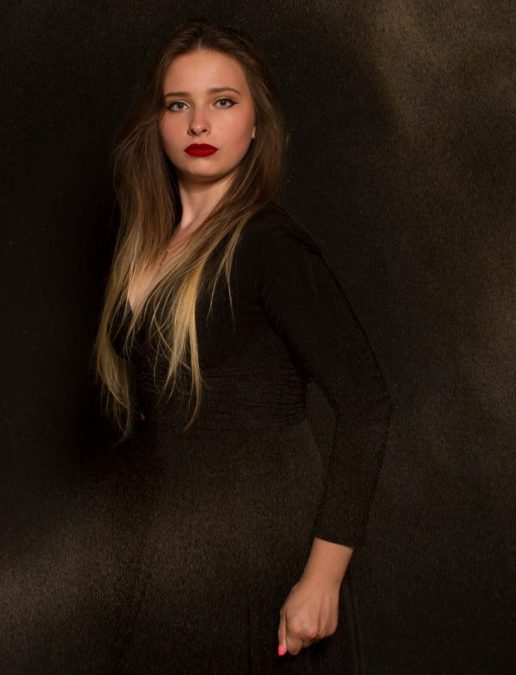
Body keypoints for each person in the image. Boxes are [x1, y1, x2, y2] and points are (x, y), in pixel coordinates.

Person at [91, 18, 392, 673]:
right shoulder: (147, 244)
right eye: (179, 104)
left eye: (223, 101)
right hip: (172, 559)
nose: (199, 123)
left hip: (262, 565)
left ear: (257, 123)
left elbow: (367, 404)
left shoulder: (269, 247)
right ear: (158, 122)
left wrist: (323, 578)